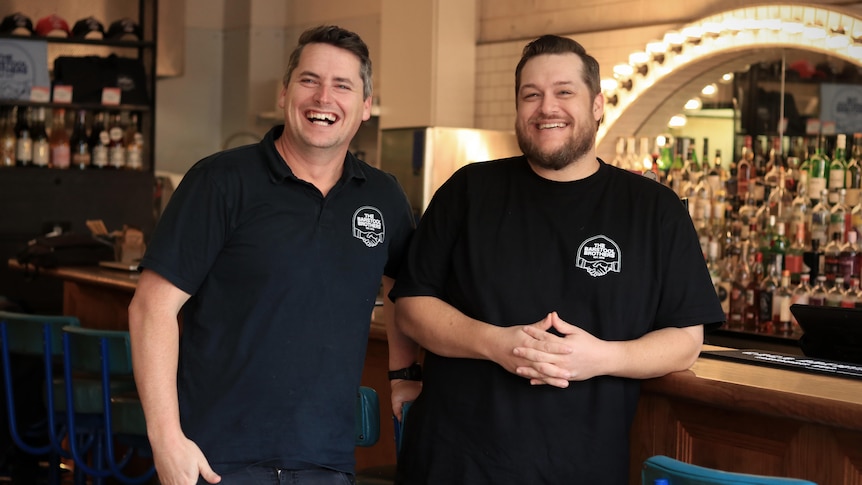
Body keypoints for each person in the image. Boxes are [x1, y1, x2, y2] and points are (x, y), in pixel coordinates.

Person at [388, 34, 725, 484]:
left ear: (597, 104)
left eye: (564, 92)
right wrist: (497, 345)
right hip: (454, 461)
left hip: (582, 465)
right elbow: (411, 306)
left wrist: (601, 357)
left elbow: (686, 338)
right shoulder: (469, 189)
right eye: (532, 95)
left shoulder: (654, 209)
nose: (547, 107)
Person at [128, 25, 415, 485]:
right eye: (309, 80)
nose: (324, 97)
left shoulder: (383, 195)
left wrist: (404, 374)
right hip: (218, 458)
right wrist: (166, 437)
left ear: (365, 106)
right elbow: (150, 309)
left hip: (326, 460)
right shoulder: (220, 181)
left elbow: (406, 289)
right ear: (285, 94)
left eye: (342, 85)